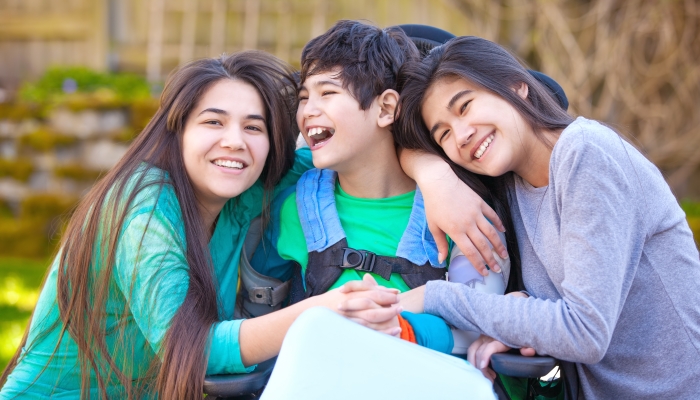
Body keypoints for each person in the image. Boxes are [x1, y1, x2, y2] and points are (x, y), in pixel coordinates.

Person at [0, 51, 401, 399]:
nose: (234, 141)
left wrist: (434, 173)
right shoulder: (143, 212)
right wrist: (322, 311)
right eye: (213, 122)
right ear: (178, 132)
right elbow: (191, 351)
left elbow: (346, 151)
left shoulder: (241, 195)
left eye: (253, 127)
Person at [390, 36, 700, 398]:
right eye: (442, 133)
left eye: (465, 106)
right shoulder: (512, 188)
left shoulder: (585, 153)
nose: (460, 135)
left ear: (517, 86)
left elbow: (585, 331)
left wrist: (436, 297)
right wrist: (432, 174)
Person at [244, 20, 514, 353]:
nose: (308, 111)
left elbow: (477, 322)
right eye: (303, 97)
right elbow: (261, 320)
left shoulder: (461, 210)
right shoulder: (295, 208)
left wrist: (399, 328)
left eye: (327, 93)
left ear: (385, 108)